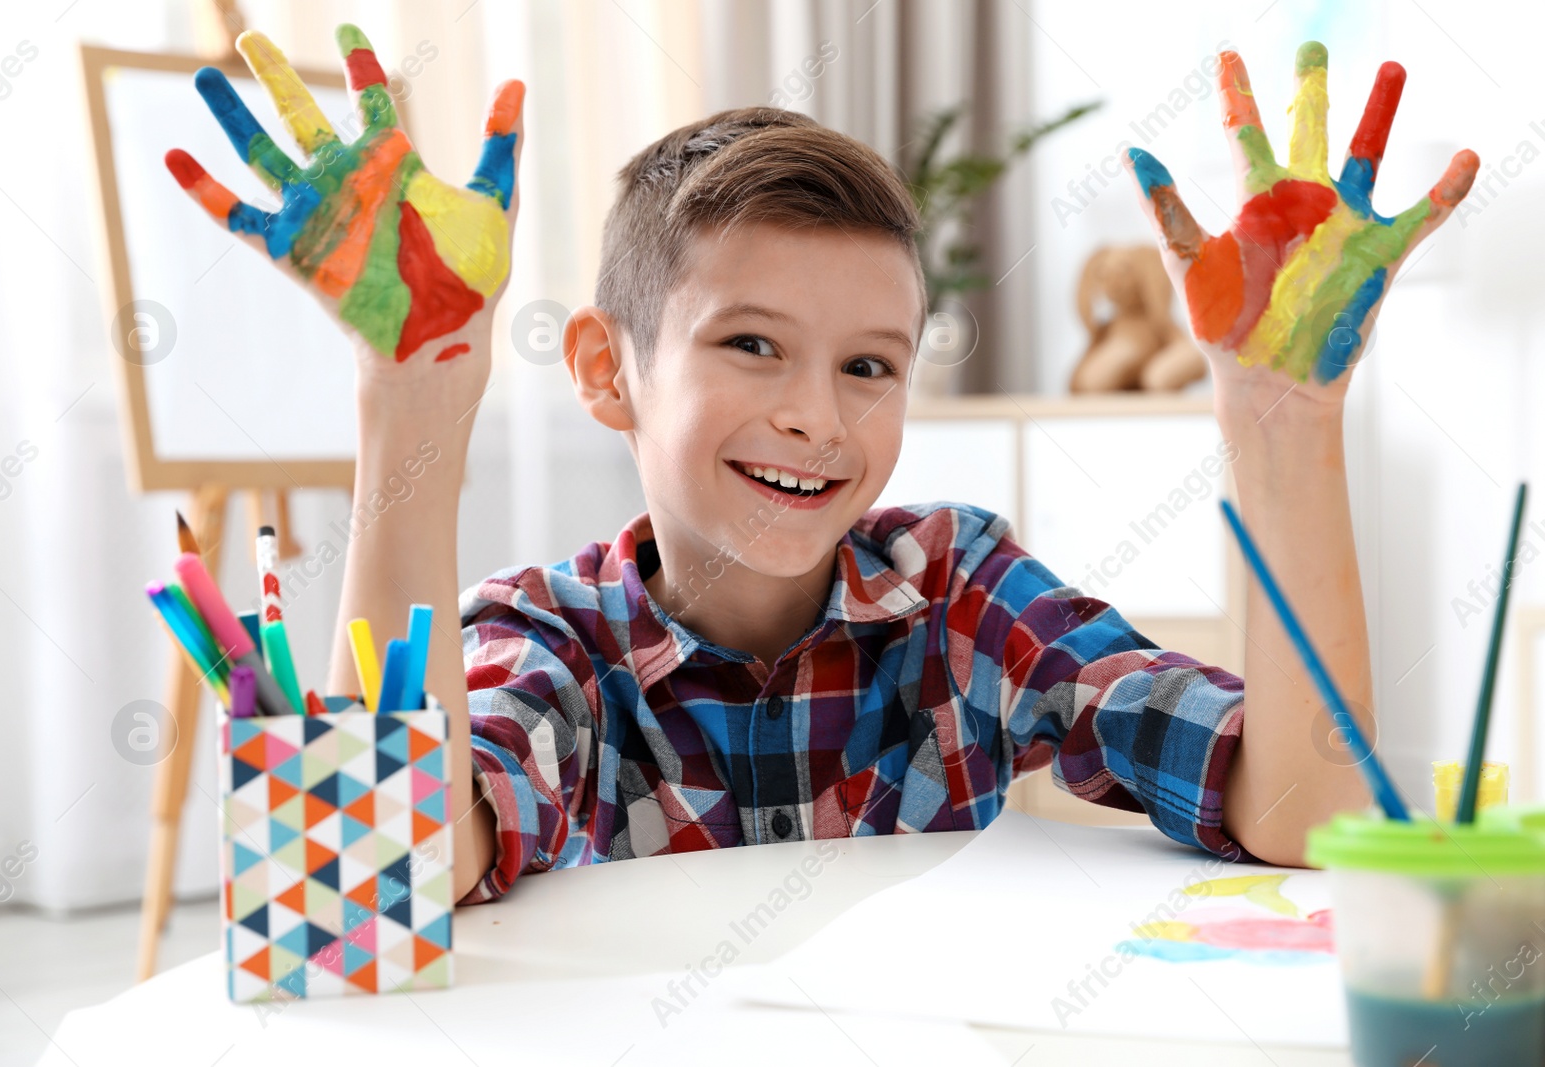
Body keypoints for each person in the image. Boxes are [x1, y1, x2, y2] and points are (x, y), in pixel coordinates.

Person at [168, 27, 1478, 905]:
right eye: (751, 344)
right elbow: (385, 872)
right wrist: (414, 399)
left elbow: (1300, 817)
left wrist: (1280, 421)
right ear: (604, 368)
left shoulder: (959, 592)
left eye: (869, 366)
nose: (816, 415)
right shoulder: (546, 640)